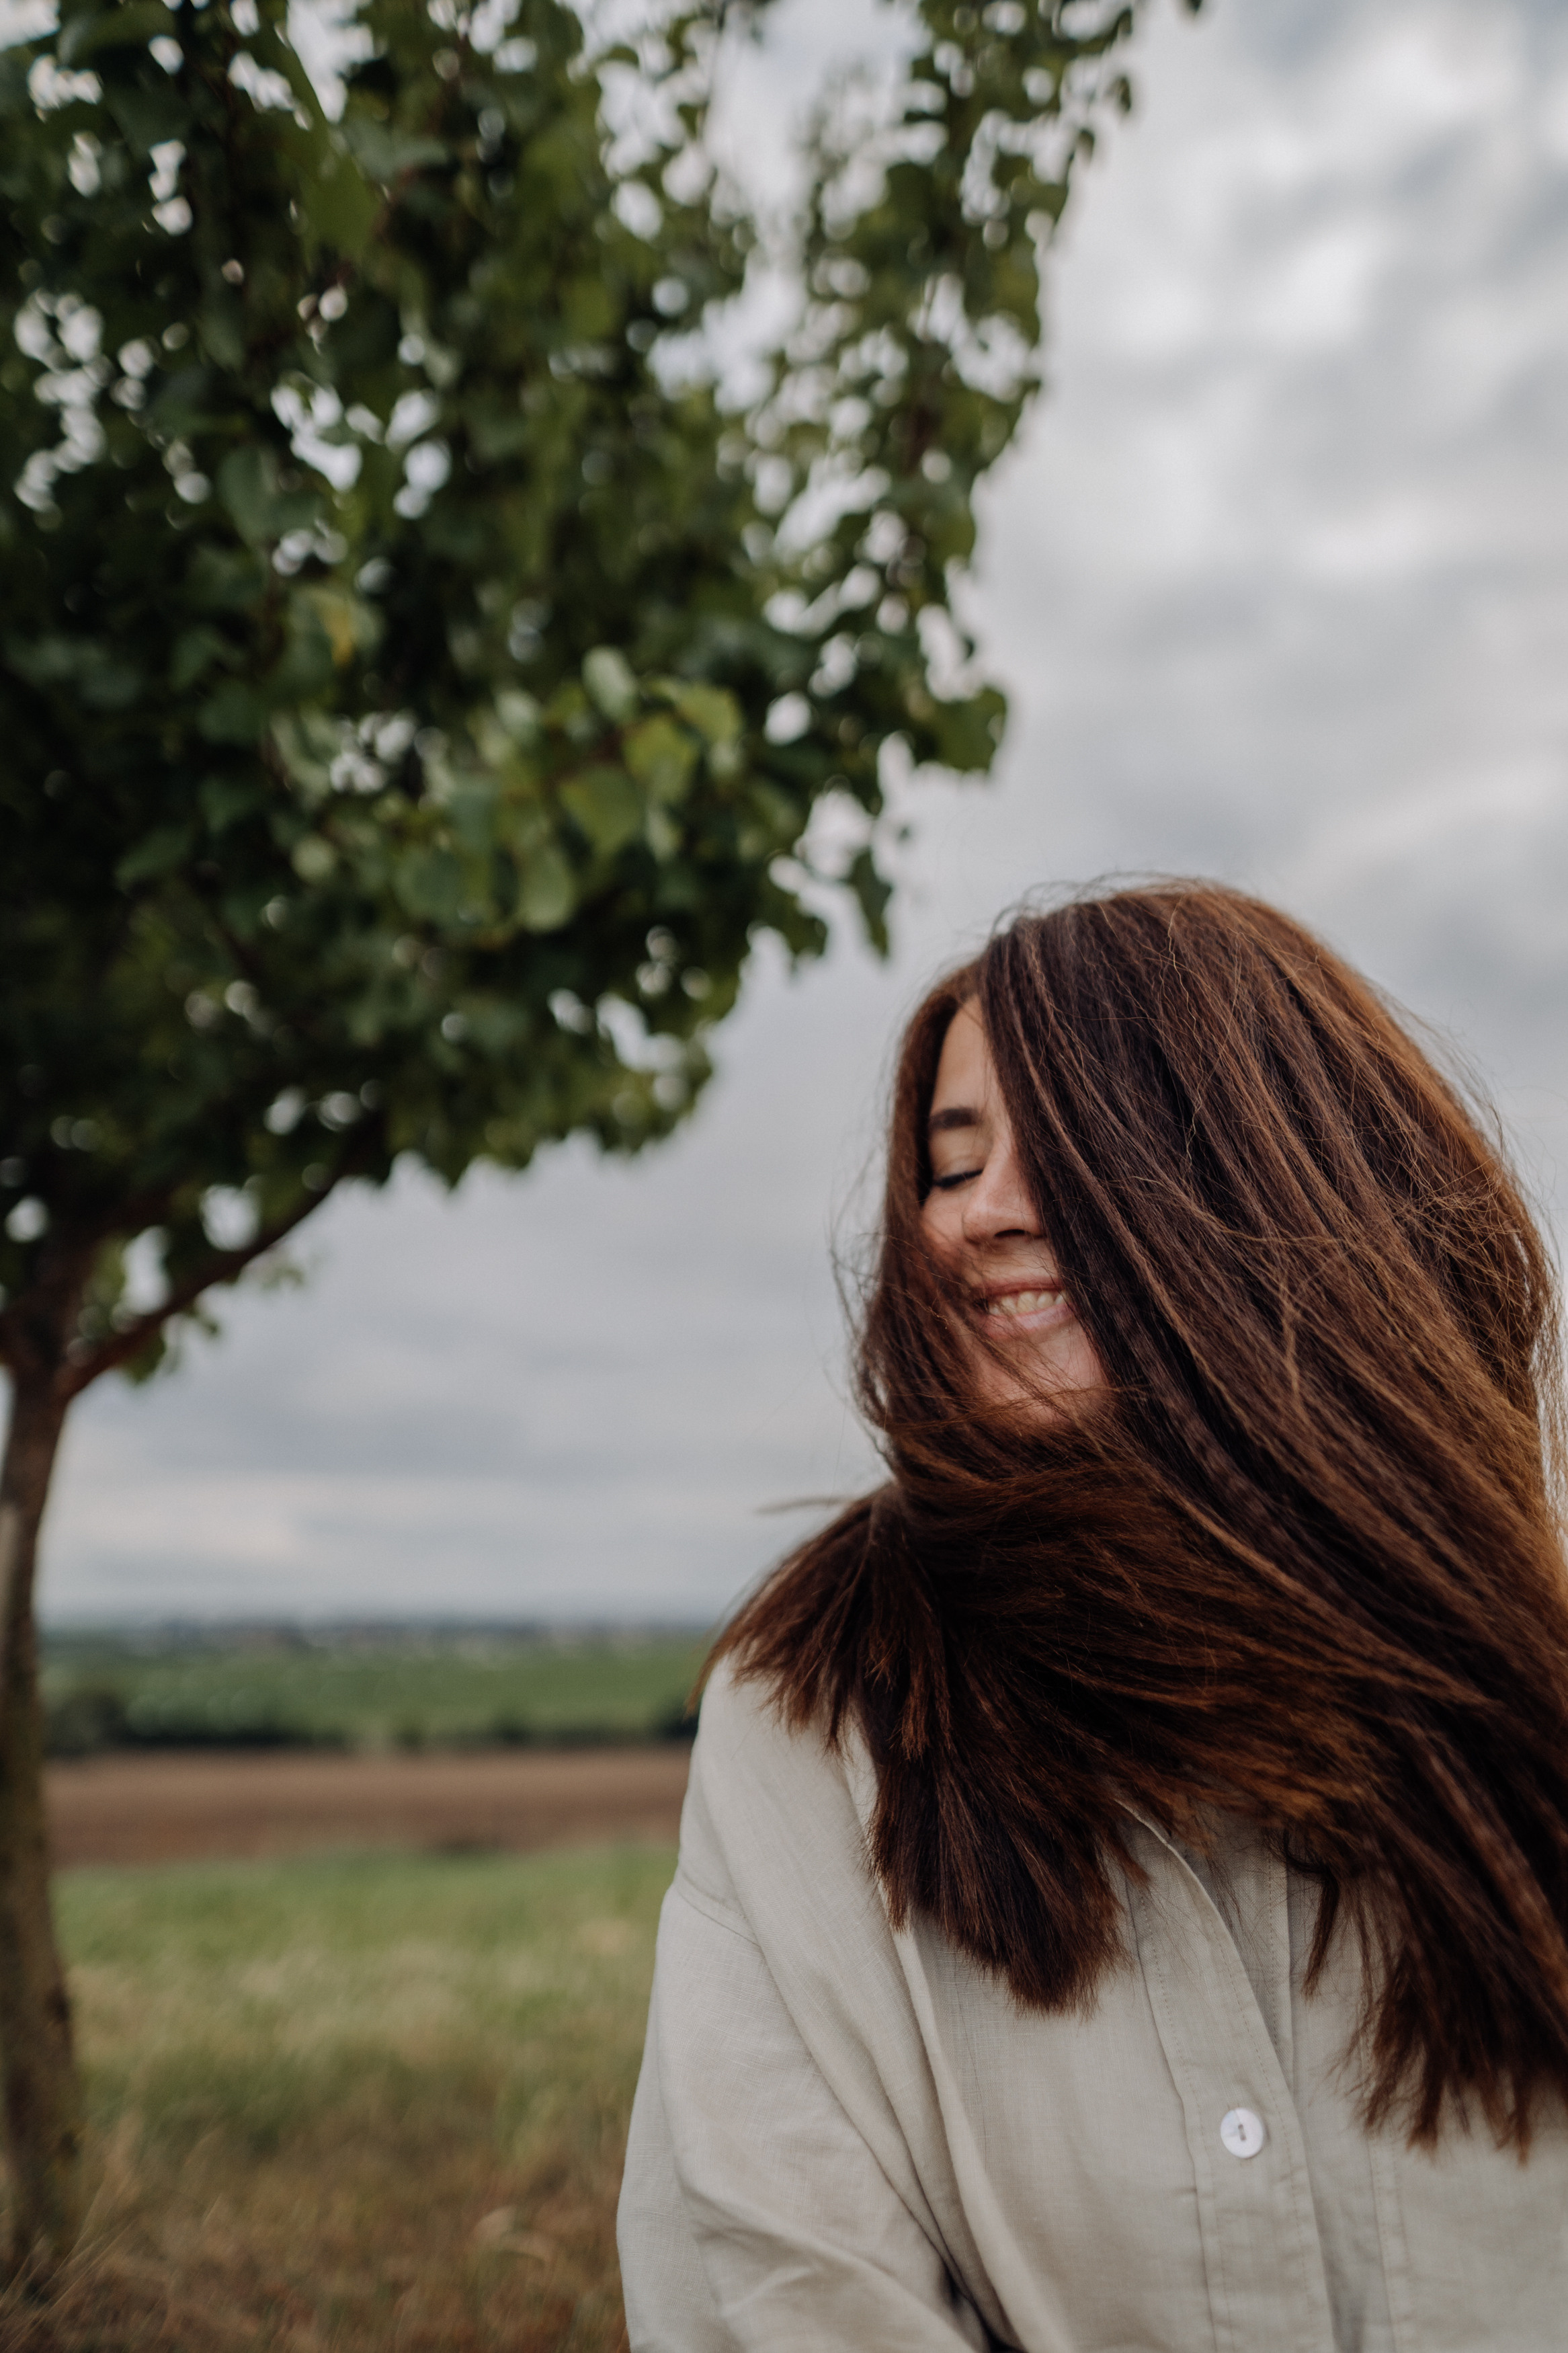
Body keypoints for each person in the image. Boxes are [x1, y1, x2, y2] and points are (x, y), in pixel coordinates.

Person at [616, 882, 1568, 2351]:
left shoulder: (1529, 1657)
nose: (972, 1214)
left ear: (1276, 1170)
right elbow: (782, 2290)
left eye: (1057, 1139)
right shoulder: (814, 1704)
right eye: (950, 1160)